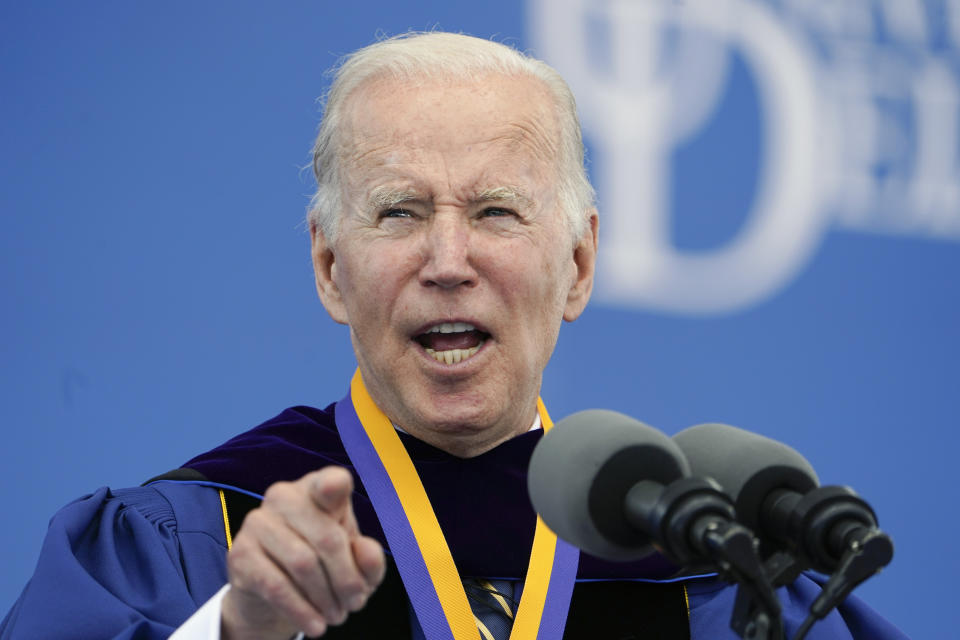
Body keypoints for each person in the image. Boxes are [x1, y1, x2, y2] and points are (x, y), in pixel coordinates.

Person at [1, 32, 906, 640]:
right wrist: (235, 629)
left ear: (580, 265)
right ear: (329, 269)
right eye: (398, 212)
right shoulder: (198, 544)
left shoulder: (713, 575)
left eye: (496, 211)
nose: (447, 259)